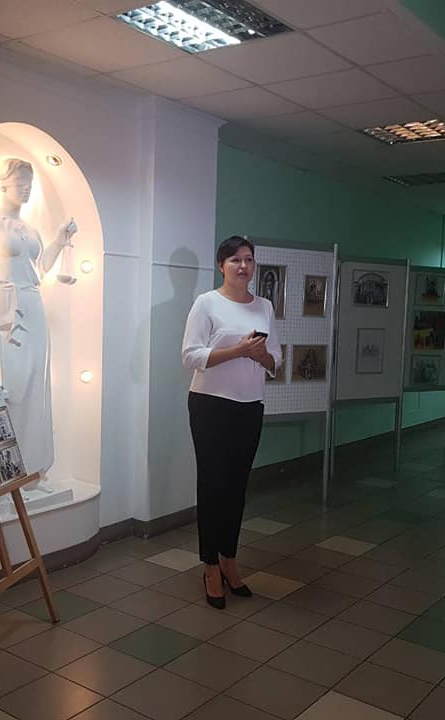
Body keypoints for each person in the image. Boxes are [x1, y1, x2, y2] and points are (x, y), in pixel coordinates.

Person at [181, 236, 281, 609]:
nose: (243, 266)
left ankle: (229, 560)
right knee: (212, 486)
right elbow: (190, 356)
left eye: (249, 259)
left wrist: (260, 356)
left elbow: (276, 360)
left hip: (249, 406)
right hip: (209, 405)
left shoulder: (265, 306)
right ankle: (210, 566)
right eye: (235, 260)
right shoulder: (206, 303)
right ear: (221, 265)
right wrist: (238, 350)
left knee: (237, 487)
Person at [0, 158, 77, 492]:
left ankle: (33, 471)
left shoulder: (30, 229)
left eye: (30, 184)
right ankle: (6, 473)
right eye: (21, 184)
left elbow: (40, 269)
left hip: (33, 305)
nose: (26, 190)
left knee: (36, 389)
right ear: (4, 184)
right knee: (11, 388)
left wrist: (60, 239)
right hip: (6, 311)